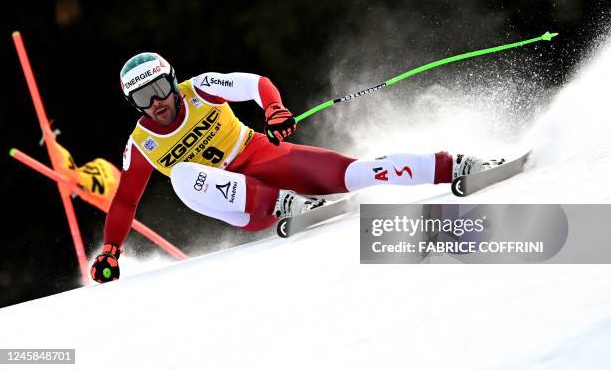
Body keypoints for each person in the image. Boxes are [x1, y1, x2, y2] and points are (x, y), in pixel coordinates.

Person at [90, 52, 503, 283]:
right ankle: (284, 204)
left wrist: (273, 110)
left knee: (350, 173)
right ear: (135, 104)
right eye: (145, 98)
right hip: (242, 204)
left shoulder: (199, 89)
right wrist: (111, 250)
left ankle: (456, 166)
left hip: (261, 156)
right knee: (181, 176)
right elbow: (126, 199)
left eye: (160, 89)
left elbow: (254, 83)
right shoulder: (141, 144)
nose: (158, 102)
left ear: (172, 81)